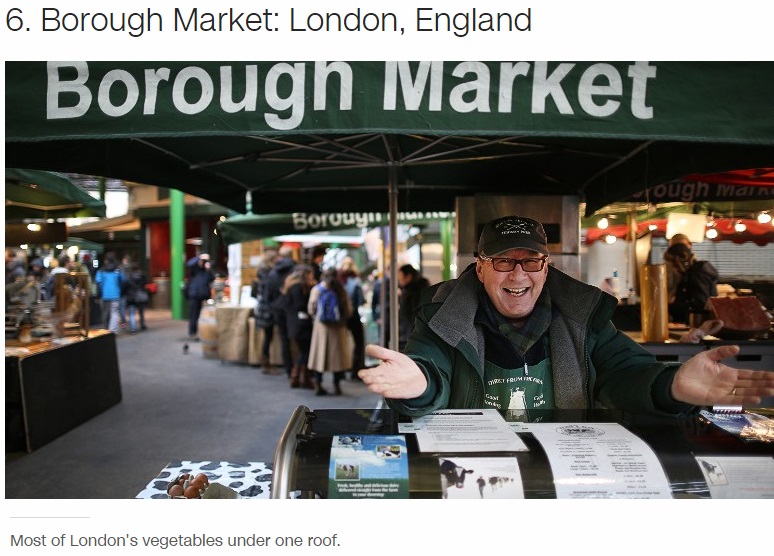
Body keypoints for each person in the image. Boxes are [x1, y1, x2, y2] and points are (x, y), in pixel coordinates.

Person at [357, 215, 774, 417]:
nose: (519, 274)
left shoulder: (582, 316)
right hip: (476, 467)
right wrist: (420, 387)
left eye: (531, 261)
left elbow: (625, 373)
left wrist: (671, 386)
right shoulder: (442, 316)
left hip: (564, 468)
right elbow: (431, 372)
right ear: (480, 267)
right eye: (503, 262)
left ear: (547, 266)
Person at [308, 268, 353, 396]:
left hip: (321, 329)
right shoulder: (341, 290)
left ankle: (318, 383)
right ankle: (337, 385)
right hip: (337, 328)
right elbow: (348, 310)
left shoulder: (317, 290)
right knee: (337, 359)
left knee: (319, 357)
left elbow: (311, 309)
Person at [665, 242, 719, 325]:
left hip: (698, 324)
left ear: (680, 260)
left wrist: (668, 307)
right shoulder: (690, 274)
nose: (673, 269)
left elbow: (699, 304)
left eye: (672, 264)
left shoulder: (698, 274)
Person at [282, 265, 317, 389]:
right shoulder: (299, 288)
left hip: (293, 325)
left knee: (303, 351)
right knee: (305, 352)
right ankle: (301, 378)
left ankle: (297, 377)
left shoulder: (290, 286)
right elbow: (301, 306)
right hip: (302, 325)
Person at [265, 246, 297, 377]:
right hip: (292, 309)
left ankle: (289, 368)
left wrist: (274, 306)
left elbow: (268, 295)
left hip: (278, 310)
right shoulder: (296, 272)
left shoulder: (273, 273)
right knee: (296, 339)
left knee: (285, 341)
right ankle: (300, 369)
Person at [338, 257, 366, 380]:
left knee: (340, 344)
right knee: (359, 343)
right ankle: (356, 371)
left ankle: (340, 372)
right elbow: (361, 300)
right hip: (353, 316)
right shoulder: (356, 280)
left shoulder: (339, 281)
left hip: (340, 317)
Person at [252, 252, 278, 373]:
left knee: (267, 337)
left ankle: (265, 361)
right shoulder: (270, 274)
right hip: (267, 308)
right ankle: (266, 363)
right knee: (268, 337)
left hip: (261, 307)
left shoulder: (260, 273)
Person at [396, 264, 430, 351]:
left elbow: (415, 315)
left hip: (411, 335)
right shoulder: (408, 289)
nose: (399, 281)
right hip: (408, 334)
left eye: (401, 278)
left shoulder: (416, 291)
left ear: (409, 277)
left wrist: (410, 336)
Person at [185, 253, 215, 340]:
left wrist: (208, 269)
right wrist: (199, 257)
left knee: (201, 316)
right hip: (194, 296)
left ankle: (201, 332)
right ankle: (192, 333)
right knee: (193, 315)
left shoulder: (206, 272)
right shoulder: (195, 270)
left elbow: (211, 278)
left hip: (203, 296)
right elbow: (189, 264)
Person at [95, 253, 124, 334]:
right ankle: (112, 330)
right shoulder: (118, 271)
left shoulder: (101, 271)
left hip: (104, 295)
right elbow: (122, 281)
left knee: (105, 313)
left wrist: (98, 295)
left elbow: (98, 283)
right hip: (115, 294)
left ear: (106, 260)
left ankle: (106, 329)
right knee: (114, 312)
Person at [124, 264, 149, 333]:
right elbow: (146, 283)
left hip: (132, 297)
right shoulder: (142, 275)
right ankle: (142, 325)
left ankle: (133, 329)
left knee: (132, 313)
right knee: (141, 312)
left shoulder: (128, 277)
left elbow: (125, 286)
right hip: (140, 296)